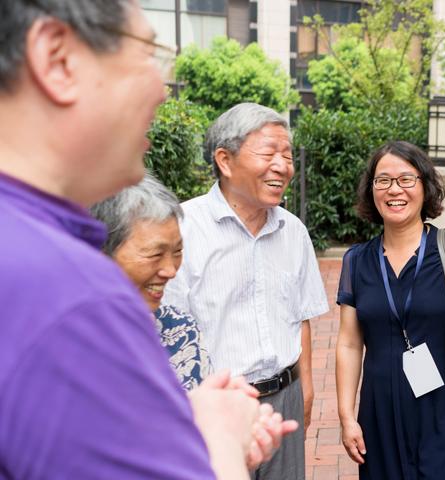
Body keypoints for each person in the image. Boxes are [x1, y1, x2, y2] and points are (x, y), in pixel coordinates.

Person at [0, 1, 290, 478]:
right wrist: (218, 433)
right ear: (56, 59)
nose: (160, 87)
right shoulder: (70, 296)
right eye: (146, 53)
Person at [164, 102, 329, 480]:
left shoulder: (293, 231)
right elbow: (170, 336)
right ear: (224, 159)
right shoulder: (183, 229)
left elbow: (300, 317)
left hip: (284, 402)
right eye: (269, 153)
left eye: (287, 155)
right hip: (215, 407)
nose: (283, 166)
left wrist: (304, 392)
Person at [335, 140, 445, 479]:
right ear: (371, 189)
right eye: (383, 180)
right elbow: (349, 344)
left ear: (425, 186)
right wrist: (347, 417)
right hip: (377, 415)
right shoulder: (356, 261)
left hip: (440, 412)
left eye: (406, 179)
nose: (395, 190)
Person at [91, 173, 211, 390]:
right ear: (101, 252)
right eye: (155, 255)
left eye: (178, 251)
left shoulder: (181, 332)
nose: (171, 270)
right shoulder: (61, 341)